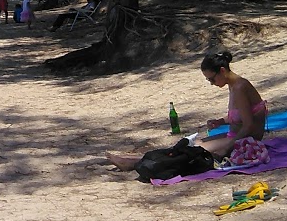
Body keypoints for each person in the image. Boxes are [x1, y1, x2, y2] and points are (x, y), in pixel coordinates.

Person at [104, 50, 269, 169]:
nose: (212, 83)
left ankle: (134, 162)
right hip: (237, 135)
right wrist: (221, 121)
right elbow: (242, 113)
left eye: (211, 79)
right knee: (193, 143)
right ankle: (137, 159)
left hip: (246, 138)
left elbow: (248, 125)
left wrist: (227, 147)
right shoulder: (233, 85)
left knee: (192, 151)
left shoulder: (239, 87)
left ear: (223, 71)